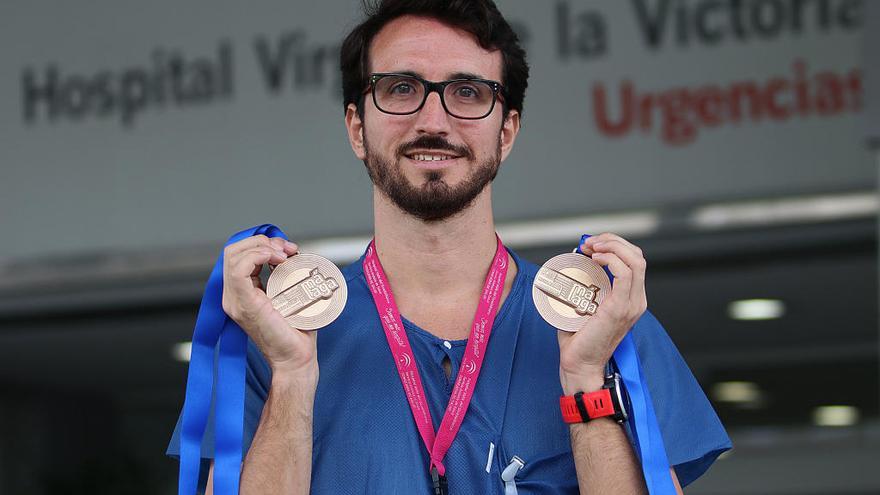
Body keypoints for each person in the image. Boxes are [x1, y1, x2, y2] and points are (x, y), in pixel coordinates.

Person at [167, 0, 731, 493]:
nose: (433, 120)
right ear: (357, 127)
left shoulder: (604, 322)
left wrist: (585, 382)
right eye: (401, 89)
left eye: (467, 92)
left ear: (506, 131)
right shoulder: (276, 331)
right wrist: (291, 377)